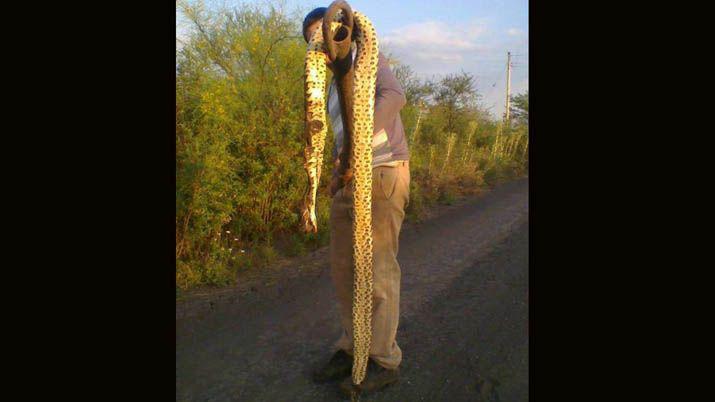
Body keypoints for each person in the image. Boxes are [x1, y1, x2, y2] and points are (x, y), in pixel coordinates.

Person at [302, 6, 411, 396]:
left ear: (343, 32)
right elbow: (339, 140)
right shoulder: (331, 88)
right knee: (345, 270)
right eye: (315, 39)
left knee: (377, 268)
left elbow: (395, 96)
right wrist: (336, 172)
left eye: (326, 32)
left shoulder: (370, 61)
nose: (324, 42)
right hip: (350, 180)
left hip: (382, 172)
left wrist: (355, 143)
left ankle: (383, 358)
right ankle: (353, 348)